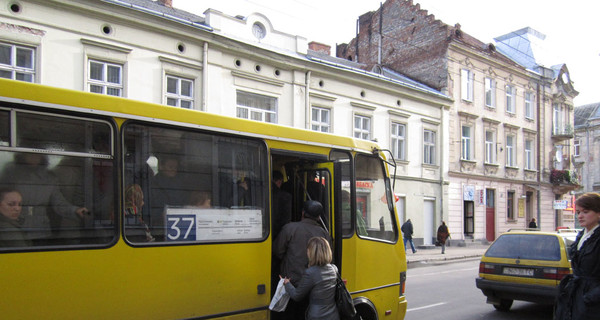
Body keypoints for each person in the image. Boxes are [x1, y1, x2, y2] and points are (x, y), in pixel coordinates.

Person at [0, 153, 88, 244]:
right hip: (15, 227)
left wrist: (76, 210)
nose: (34, 158)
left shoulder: (50, 178)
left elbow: (59, 203)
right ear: (22, 156)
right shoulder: (11, 173)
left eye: (37, 155)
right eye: (30, 154)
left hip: (41, 230)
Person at [273, 200, 332, 320]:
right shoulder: (324, 234)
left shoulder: (289, 228)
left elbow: (277, 252)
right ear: (319, 217)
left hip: (290, 284)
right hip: (314, 289)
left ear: (303, 213)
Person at [555, 192, 600, 320]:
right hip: (575, 296)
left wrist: (591, 297)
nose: (580, 216)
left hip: (593, 302)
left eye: (585, 212)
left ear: (598, 213)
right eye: (578, 212)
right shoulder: (581, 235)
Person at [282, 236, 339, 320]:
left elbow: (297, 295)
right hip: (333, 315)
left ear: (311, 252)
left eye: (308, 250)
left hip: (317, 316)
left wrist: (287, 283)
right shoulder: (334, 268)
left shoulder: (310, 273)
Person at [271, 170, 292, 239]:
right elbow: (286, 221)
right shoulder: (285, 196)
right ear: (279, 181)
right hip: (278, 234)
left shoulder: (259, 194)